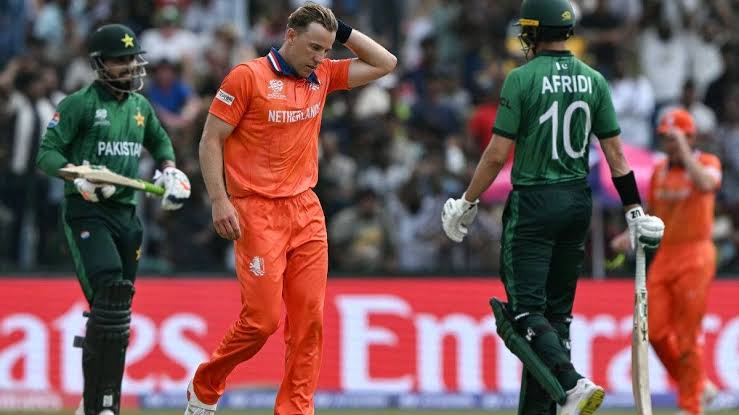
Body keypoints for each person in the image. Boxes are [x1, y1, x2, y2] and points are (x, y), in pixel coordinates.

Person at [440, 1, 664, 414]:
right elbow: (616, 156)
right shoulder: (594, 79)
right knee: (556, 319)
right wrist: (634, 210)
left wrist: (467, 201)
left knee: (523, 312)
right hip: (577, 203)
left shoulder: (521, 78)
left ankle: (571, 383)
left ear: (534, 31)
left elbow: (496, 155)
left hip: (534, 202)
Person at [188, 2, 397, 414]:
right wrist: (219, 200)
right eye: (314, 47)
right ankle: (205, 387)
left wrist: (340, 31)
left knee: (309, 321)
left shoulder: (323, 74)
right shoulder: (247, 77)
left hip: (306, 210)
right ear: (290, 36)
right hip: (256, 211)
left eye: (326, 50)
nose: (320, 58)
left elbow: (385, 63)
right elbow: (211, 139)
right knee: (261, 321)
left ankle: (295, 410)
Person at [35, 24, 191, 415]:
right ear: (101, 64)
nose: (131, 66)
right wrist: (76, 174)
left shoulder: (140, 107)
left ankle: (105, 404)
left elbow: (160, 140)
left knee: (117, 313)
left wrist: (169, 169)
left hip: (126, 213)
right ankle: (96, 404)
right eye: (121, 60)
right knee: (109, 292)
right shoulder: (79, 104)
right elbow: (47, 154)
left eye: (133, 58)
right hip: (87, 210)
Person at [611, 109, 721, 415]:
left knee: (688, 335)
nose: (668, 143)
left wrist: (685, 151)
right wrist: (628, 234)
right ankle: (699, 385)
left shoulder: (708, 162)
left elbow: (707, 185)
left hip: (696, 255)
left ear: (690, 137)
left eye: (674, 137)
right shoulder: (659, 170)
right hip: (665, 256)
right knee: (654, 332)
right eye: (665, 138)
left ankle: (691, 405)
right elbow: (653, 211)